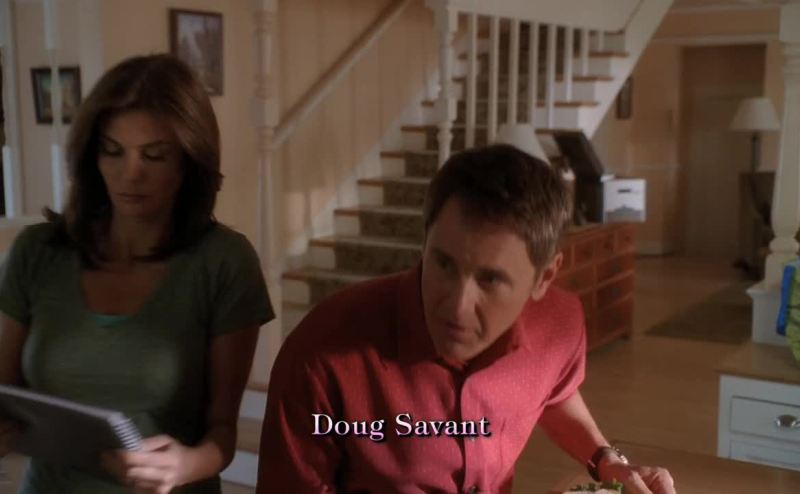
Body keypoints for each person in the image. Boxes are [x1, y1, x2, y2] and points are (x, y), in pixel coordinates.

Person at [257, 144, 675, 494]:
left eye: (490, 279)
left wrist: (606, 460)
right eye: (443, 264)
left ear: (544, 278)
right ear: (425, 241)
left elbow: (554, 391)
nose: (456, 308)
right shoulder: (319, 356)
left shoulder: (559, 322)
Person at [0, 54, 274, 493]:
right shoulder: (37, 252)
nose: (131, 174)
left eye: (154, 155)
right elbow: (6, 393)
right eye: (113, 151)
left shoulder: (223, 262)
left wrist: (187, 465)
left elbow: (222, 431)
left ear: (188, 160)